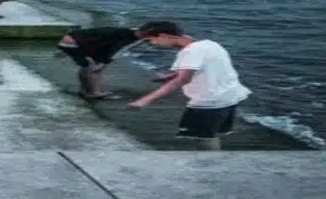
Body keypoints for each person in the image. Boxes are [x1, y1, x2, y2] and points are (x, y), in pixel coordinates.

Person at [128, 21, 252, 150]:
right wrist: (170, 76)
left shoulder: (190, 52)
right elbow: (207, 67)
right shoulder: (210, 44)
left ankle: (212, 165)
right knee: (210, 135)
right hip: (230, 96)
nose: (154, 44)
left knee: (202, 139)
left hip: (209, 101)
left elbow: (182, 80)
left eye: (151, 40)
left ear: (164, 35)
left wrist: (145, 100)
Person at [57, 25, 151, 100]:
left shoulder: (127, 31)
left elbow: (109, 46)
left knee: (89, 66)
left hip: (77, 41)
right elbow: (117, 50)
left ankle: (85, 90)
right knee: (92, 67)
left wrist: (102, 62)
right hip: (74, 43)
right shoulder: (130, 38)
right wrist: (104, 63)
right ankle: (93, 92)